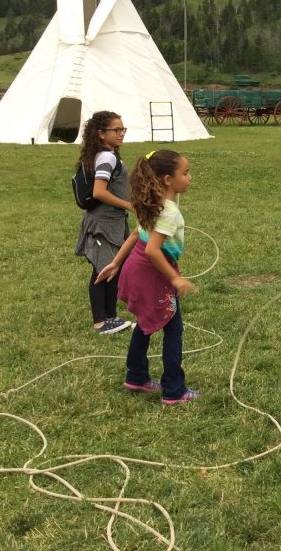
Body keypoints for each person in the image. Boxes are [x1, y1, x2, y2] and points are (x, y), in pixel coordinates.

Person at [96, 149, 200, 404]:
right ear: (167, 179)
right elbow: (153, 250)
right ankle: (175, 390)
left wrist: (115, 263)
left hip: (136, 267)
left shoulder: (153, 203)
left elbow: (135, 235)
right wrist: (175, 280)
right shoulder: (169, 211)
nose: (190, 178)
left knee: (145, 322)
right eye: (185, 173)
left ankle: (137, 376)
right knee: (173, 328)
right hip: (152, 273)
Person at [74, 111, 133, 335]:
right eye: (116, 130)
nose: (121, 134)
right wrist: (128, 205)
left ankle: (112, 317)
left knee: (113, 269)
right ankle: (100, 322)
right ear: (100, 134)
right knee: (102, 270)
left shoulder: (108, 155)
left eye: (123, 129)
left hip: (113, 222)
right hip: (102, 224)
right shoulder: (107, 157)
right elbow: (99, 192)